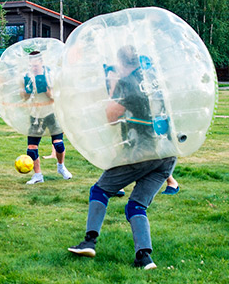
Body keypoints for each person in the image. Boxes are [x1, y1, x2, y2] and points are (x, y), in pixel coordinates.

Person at [68, 45, 175, 270]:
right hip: (166, 153)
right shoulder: (154, 77)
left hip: (141, 152)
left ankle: (89, 241)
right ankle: (144, 257)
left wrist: (115, 84)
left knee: (99, 191)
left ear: (122, 63)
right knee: (136, 205)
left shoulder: (128, 83)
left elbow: (111, 117)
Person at [23, 51, 71, 185]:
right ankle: (38, 175)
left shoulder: (49, 75)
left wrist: (43, 86)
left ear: (41, 63)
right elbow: (24, 97)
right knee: (31, 148)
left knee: (58, 144)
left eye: (36, 66)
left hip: (51, 113)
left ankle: (61, 167)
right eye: (31, 66)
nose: (33, 68)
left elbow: (54, 96)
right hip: (35, 115)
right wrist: (27, 91)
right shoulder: (27, 76)